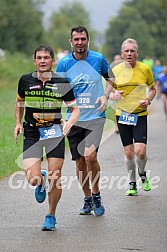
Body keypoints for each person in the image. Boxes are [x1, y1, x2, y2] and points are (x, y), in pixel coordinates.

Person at [14, 45, 80, 231]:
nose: (42, 61)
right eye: (39, 58)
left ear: (53, 61)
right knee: (33, 179)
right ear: (34, 61)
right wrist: (18, 123)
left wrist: (70, 123)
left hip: (54, 131)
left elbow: (75, 109)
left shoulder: (62, 82)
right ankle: (40, 180)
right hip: (33, 132)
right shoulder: (25, 80)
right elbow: (19, 103)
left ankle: (51, 215)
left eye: (46, 58)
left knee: (55, 174)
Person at [56, 26, 118, 216]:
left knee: (91, 157)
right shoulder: (64, 63)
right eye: (76, 39)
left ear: (88, 40)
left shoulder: (98, 59)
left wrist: (106, 96)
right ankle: (87, 198)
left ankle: (97, 195)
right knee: (80, 162)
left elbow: (112, 78)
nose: (80, 42)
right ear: (71, 42)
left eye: (83, 39)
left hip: (95, 117)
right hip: (74, 119)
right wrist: (58, 117)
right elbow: (57, 91)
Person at [109, 38, 156, 196]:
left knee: (140, 151)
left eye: (132, 51)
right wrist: (114, 94)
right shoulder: (116, 71)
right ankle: (132, 182)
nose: (129, 54)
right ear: (122, 53)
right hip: (122, 115)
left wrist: (148, 100)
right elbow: (108, 92)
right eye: (126, 51)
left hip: (140, 115)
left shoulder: (144, 69)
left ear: (137, 53)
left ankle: (142, 173)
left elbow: (153, 89)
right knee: (129, 153)